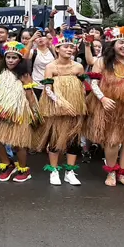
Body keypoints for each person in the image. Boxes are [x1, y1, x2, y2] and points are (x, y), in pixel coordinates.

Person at [86, 28, 124, 187]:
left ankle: (123, 174)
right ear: (113, 44)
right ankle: (111, 173)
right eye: (121, 42)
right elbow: (93, 83)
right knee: (112, 141)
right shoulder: (102, 62)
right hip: (110, 107)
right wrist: (103, 98)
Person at [0, 41, 39, 183]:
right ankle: (7, 165)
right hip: (0, 111)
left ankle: (23, 170)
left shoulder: (24, 75)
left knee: (18, 143)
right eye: (8, 57)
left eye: (14, 58)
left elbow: (30, 95)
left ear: (19, 59)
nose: (10, 60)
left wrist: (35, 113)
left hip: (19, 112)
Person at [37, 32, 86, 186]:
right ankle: (54, 170)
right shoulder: (50, 67)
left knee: (73, 140)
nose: (70, 49)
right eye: (66, 46)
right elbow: (47, 89)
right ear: (57, 49)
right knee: (55, 139)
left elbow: (83, 87)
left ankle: (70, 171)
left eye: (72, 47)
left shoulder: (78, 67)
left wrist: (80, 103)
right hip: (56, 107)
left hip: (74, 108)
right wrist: (60, 102)